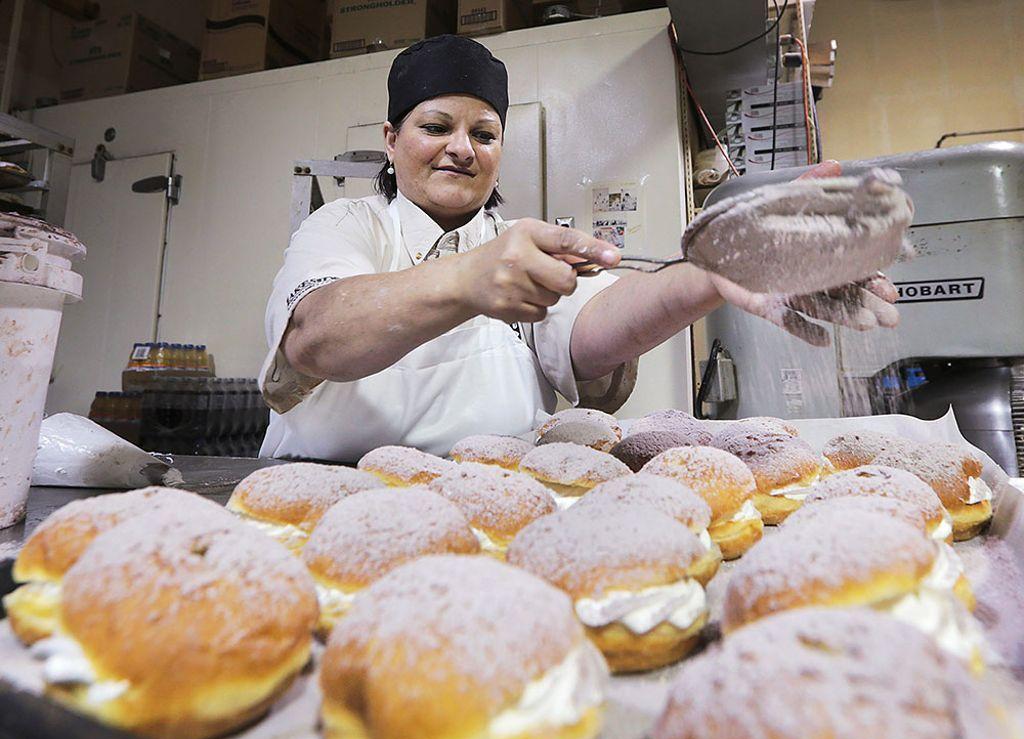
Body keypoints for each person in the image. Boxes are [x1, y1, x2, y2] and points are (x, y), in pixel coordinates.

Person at [259, 35, 898, 462]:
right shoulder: (347, 226)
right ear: (391, 141)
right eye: (435, 127)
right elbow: (317, 338)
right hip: (322, 516)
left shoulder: (519, 247)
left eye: (484, 133)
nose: (462, 148)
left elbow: (592, 329)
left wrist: (714, 275)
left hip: (495, 521)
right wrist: (466, 281)